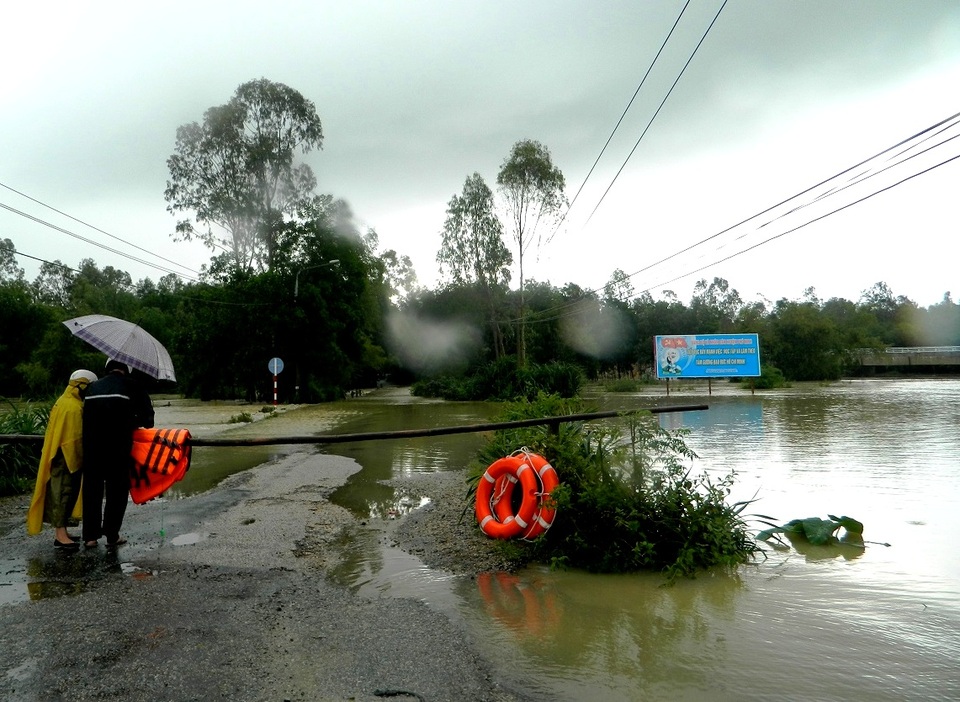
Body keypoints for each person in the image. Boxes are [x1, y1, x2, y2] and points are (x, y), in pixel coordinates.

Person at [81, 359, 154, 549]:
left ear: (107, 369)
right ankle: (112, 536)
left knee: (92, 492)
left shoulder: (91, 388)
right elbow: (149, 421)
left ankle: (90, 537)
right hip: (118, 450)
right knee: (116, 493)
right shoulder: (133, 386)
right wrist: (132, 419)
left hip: (91, 449)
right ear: (127, 370)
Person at [27, 369, 98, 550]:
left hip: (63, 455)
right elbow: (74, 437)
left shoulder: (66, 402)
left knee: (66, 493)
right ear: (81, 386)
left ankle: (63, 532)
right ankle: (60, 535)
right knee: (62, 494)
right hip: (65, 457)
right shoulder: (72, 407)